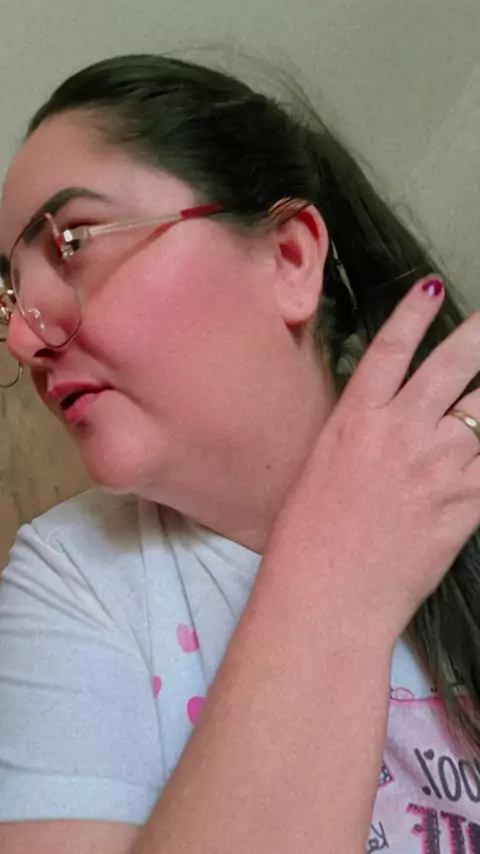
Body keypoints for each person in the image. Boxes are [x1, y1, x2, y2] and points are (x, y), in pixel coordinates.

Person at [0, 52, 479, 854]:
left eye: (73, 240)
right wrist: (337, 571)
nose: (22, 336)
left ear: (290, 258)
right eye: (9, 295)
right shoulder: (72, 575)